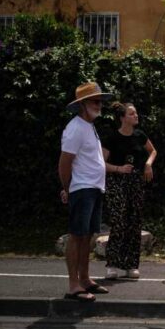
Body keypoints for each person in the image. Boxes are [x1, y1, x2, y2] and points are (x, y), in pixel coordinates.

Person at [58, 82, 115, 301]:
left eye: (100, 101)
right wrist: (67, 188)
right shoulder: (75, 128)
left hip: (93, 188)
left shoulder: (89, 126)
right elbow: (64, 163)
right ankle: (74, 284)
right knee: (76, 235)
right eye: (95, 101)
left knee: (88, 236)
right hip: (82, 189)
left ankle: (85, 278)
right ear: (82, 104)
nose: (99, 105)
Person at [102, 102, 157, 279]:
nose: (136, 116)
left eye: (136, 113)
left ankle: (131, 264)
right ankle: (112, 264)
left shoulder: (140, 135)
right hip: (116, 182)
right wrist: (118, 169)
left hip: (136, 182)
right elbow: (101, 163)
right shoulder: (111, 138)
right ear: (122, 118)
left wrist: (148, 164)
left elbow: (153, 151)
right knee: (119, 221)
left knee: (134, 223)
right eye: (132, 114)